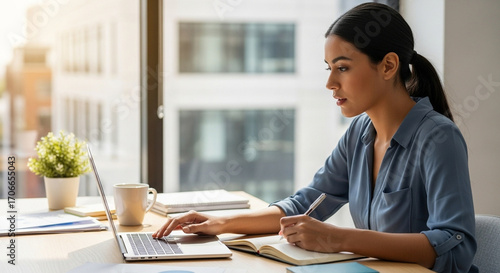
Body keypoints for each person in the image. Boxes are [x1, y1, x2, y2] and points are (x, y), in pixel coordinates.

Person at [153, 3, 477, 272]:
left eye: (343, 68)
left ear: (389, 65)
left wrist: (338, 239)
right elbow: (306, 204)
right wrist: (222, 223)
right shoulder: (360, 133)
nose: (331, 84)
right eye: (329, 69)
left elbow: (454, 247)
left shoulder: (438, 138)